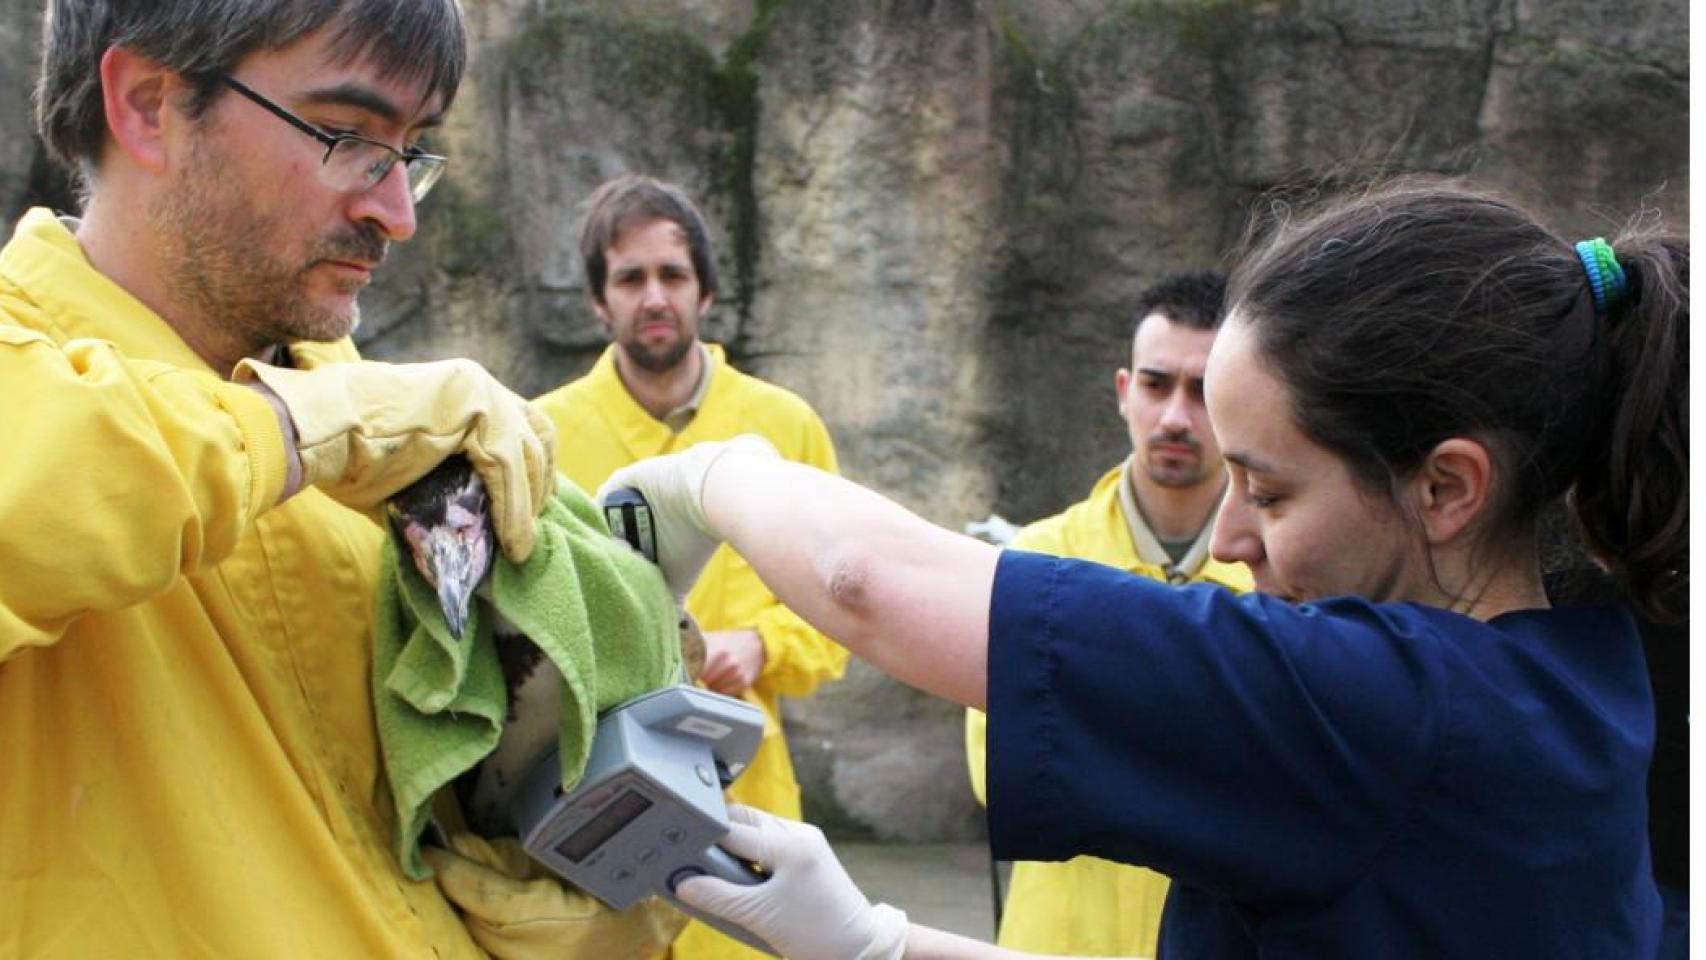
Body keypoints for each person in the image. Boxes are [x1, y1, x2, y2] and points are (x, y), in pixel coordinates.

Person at [603, 178, 1687, 958]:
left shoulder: (1377, 708)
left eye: (1267, 491)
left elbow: (860, 583)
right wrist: (877, 943)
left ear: (1445, 488)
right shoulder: (1588, 692)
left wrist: (711, 472)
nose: (1227, 541)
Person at [0, 3, 673, 957]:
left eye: (411, 152)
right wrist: (322, 426)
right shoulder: (345, 421)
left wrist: (554, 894)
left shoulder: (375, 416)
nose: (395, 212)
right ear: (149, 104)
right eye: (349, 136)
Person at [534, 173, 849, 960]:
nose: (654, 297)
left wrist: (767, 647)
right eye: (630, 278)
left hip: (747, 796)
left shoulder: (783, 427)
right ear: (598, 302)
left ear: (705, 292)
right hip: (596, 797)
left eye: (672, 275)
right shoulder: (541, 433)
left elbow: (839, 617)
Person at [964, 271, 1251, 957]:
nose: (1177, 416)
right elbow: (997, 770)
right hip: (1057, 941)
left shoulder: (1279, 579)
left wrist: (1093, 730)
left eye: (1204, 389)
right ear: (1125, 392)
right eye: (1157, 385)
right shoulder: (1038, 562)